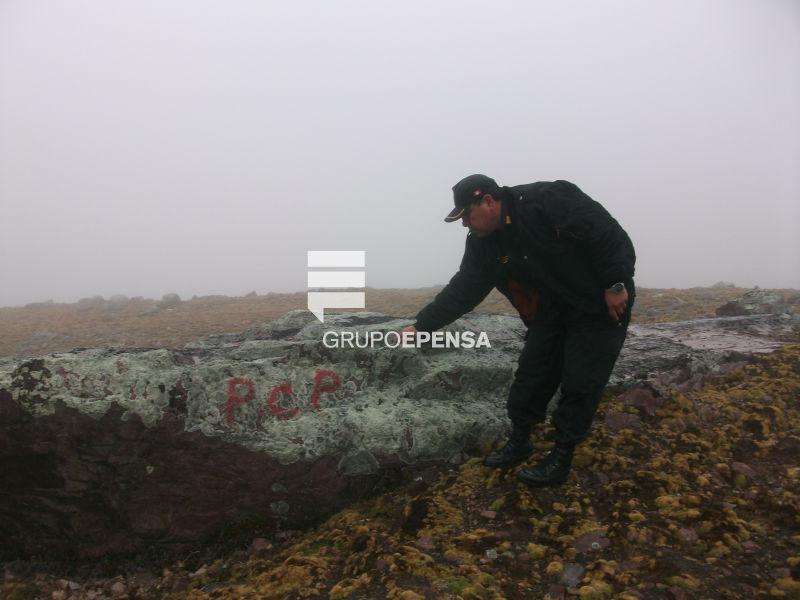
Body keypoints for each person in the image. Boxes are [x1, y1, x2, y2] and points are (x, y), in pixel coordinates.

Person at [402, 174, 636, 487]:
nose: (465, 225)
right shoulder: (483, 243)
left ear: (487, 201)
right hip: (553, 307)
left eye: (466, 216)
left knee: (581, 379)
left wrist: (616, 282)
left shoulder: (548, 200)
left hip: (598, 302)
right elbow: (465, 288)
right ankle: (521, 440)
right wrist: (421, 326)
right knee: (532, 372)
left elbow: (608, 235)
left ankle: (562, 455)